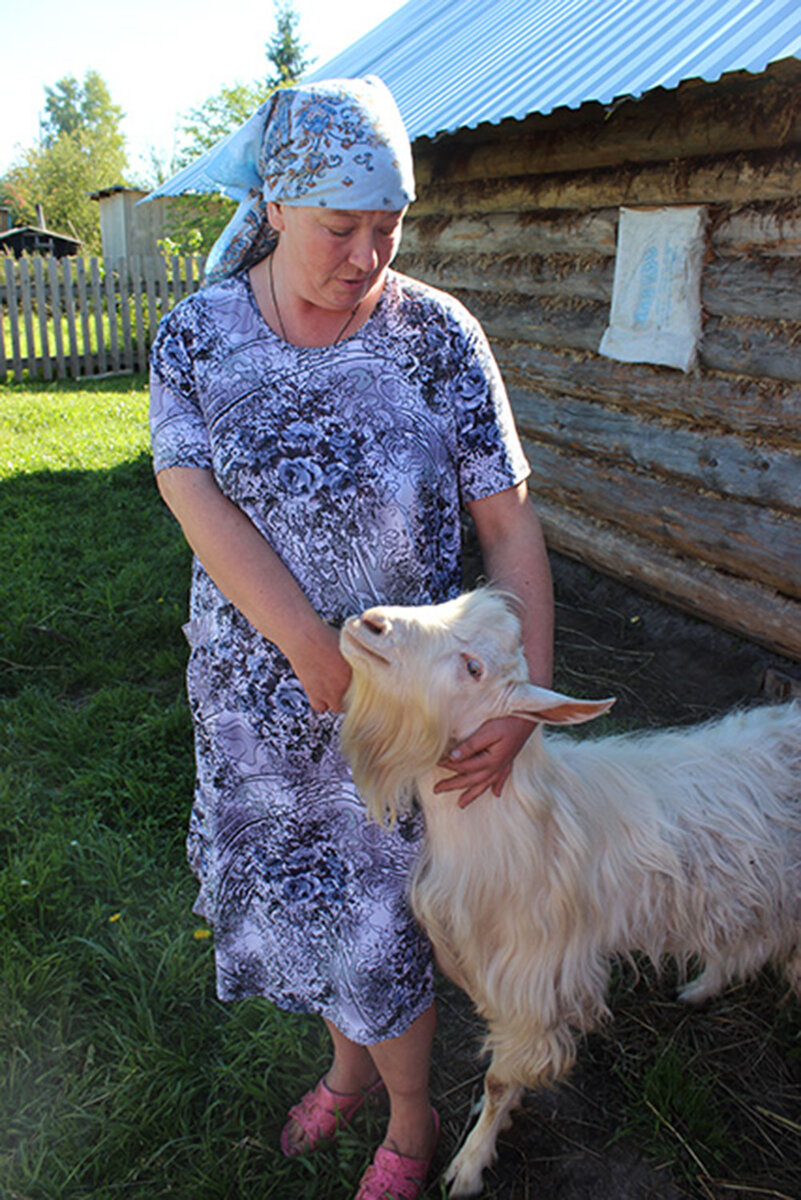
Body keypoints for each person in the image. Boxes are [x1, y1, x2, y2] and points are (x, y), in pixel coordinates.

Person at [147, 75, 554, 1200]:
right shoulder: (198, 335)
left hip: (397, 727)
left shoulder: (440, 342)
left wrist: (525, 702)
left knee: (382, 931)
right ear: (275, 204)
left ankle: (413, 1122)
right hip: (253, 713)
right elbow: (191, 494)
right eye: (342, 227)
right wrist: (312, 658)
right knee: (303, 910)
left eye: (391, 226)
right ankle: (347, 1070)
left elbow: (511, 531)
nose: (370, 254)